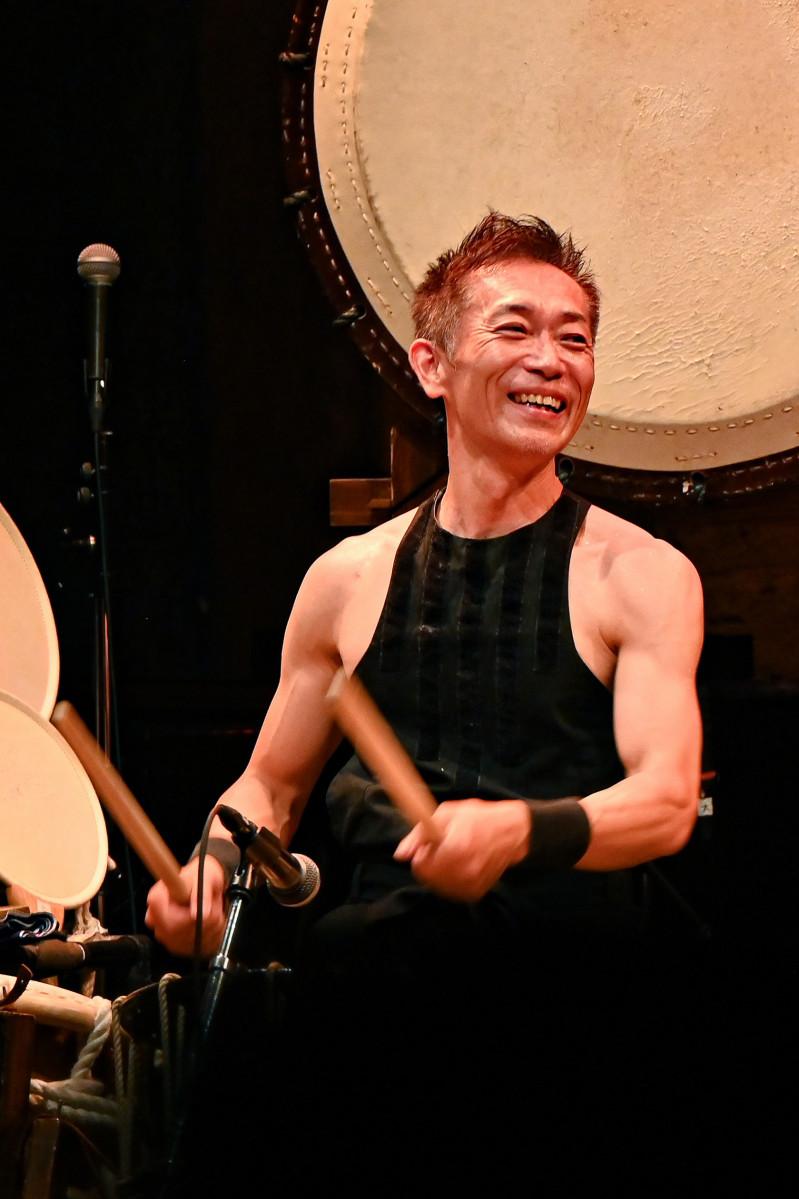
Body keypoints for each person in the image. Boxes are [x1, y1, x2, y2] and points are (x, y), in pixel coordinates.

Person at [146, 213, 705, 1191]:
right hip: (376, 1007)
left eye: (574, 338)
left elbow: (663, 803)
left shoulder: (641, 573)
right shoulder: (346, 578)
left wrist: (516, 831)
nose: (551, 360)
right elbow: (269, 787)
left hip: (573, 1006)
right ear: (431, 364)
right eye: (515, 328)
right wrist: (210, 871)